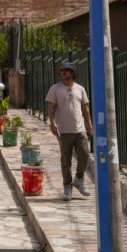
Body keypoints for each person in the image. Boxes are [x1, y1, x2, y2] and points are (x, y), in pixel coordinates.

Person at [46, 60, 94, 201]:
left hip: (80, 130)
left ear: (72, 73)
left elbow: (85, 109)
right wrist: (52, 122)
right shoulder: (55, 89)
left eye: (66, 70)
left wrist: (89, 127)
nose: (63, 72)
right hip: (64, 131)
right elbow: (51, 108)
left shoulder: (80, 89)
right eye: (61, 70)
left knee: (84, 154)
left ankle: (79, 179)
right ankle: (67, 187)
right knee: (66, 161)